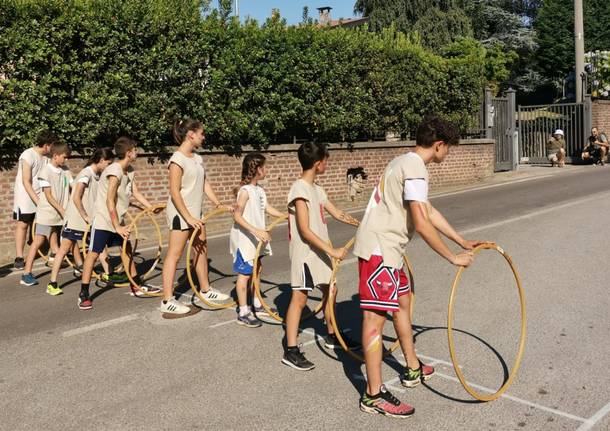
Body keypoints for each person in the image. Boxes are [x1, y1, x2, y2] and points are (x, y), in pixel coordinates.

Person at [354, 116, 483, 418]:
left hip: (391, 250)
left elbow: (427, 209)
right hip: (380, 250)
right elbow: (422, 223)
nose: (448, 153)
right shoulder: (413, 168)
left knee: (403, 303)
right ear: (439, 145)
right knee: (374, 322)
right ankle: (373, 394)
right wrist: (452, 257)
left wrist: (460, 239)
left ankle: (412, 368)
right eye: (448, 148)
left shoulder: (408, 162)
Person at [282, 142, 360, 371]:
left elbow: (336, 212)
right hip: (306, 253)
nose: (328, 163)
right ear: (318, 164)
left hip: (321, 250)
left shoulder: (317, 189)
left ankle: (331, 334)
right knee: (300, 299)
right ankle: (291, 349)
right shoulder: (299, 189)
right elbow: (305, 230)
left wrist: (361, 224)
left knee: (331, 289)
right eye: (326, 160)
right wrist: (333, 251)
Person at [159, 119, 232, 315]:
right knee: (174, 255)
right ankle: (167, 299)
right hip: (181, 214)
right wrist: (188, 217)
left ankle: (206, 289)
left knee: (201, 249)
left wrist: (217, 203)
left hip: (196, 213)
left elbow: (204, 183)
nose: (203, 136)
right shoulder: (177, 159)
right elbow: (175, 192)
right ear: (190, 134)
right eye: (201, 133)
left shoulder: (197, 158)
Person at [78, 137, 160, 310]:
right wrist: (117, 226)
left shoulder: (129, 170)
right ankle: (84, 293)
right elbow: (109, 201)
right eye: (136, 150)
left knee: (127, 250)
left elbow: (135, 192)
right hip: (103, 219)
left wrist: (150, 207)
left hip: (117, 219)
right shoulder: (114, 170)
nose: (138, 152)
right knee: (93, 254)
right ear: (129, 153)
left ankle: (136, 285)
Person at [45, 148, 114, 296]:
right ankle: (52, 283)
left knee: (100, 246)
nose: (109, 166)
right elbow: (76, 196)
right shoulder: (86, 174)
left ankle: (109, 274)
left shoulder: (97, 174)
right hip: (76, 219)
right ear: (101, 161)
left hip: (90, 219)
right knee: (64, 249)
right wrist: (85, 215)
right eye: (108, 163)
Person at [230, 153, 285, 327]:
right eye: (264, 166)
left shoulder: (259, 190)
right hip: (246, 240)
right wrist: (257, 231)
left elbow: (266, 208)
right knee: (245, 274)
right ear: (257, 169)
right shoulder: (245, 191)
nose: (266, 169)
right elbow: (237, 217)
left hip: (256, 240)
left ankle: (257, 303)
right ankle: (244, 311)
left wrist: (285, 216)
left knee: (257, 270)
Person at [21, 142, 72, 286]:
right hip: (47, 213)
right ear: (55, 156)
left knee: (57, 238)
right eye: (64, 157)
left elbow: (74, 186)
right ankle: (26, 273)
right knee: (38, 241)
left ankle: (69, 264)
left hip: (59, 214)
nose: (66, 160)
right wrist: (62, 210)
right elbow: (48, 196)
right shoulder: (45, 172)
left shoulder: (65, 170)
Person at [12, 131, 54, 270]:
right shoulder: (28, 155)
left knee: (46, 223)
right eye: (52, 146)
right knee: (23, 224)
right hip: (25, 196)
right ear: (47, 145)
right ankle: (19, 257)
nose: (52, 149)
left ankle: (52, 252)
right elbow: (26, 181)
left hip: (40, 196)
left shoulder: (47, 158)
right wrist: (37, 201)